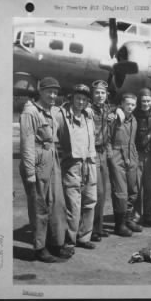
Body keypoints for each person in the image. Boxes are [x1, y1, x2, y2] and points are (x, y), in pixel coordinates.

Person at [19, 77, 72, 262]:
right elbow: (26, 145)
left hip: (52, 159)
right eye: (49, 91)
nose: (52, 95)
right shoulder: (30, 112)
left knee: (57, 203)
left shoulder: (51, 110)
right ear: (40, 91)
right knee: (39, 207)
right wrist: (30, 173)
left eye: (55, 92)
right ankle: (39, 248)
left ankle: (56, 244)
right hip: (37, 161)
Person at [56, 84, 97, 251]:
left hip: (89, 162)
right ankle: (69, 240)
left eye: (84, 99)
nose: (81, 102)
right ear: (71, 98)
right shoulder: (61, 115)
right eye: (78, 98)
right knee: (73, 204)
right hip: (72, 164)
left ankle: (84, 236)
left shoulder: (89, 115)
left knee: (90, 201)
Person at [107, 93, 141, 237]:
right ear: (122, 104)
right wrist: (110, 157)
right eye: (128, 104)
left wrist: (135, 157)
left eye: (133, 105)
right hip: (117, 156)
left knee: (133, 190)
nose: (130, 107)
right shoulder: (114, 118)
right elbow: (108, 138)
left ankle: (127, 219)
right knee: (121, 192)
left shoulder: (134, 120)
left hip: (131, 156)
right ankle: (119, 225)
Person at [89, 80, 116, 242]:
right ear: (93, 95)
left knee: (103, 192)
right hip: (92, 153)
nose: (100, 96)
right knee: (95, 192)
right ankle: (90, 229)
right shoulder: (88, 110)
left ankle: (97, 228)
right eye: (97, 93)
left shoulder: (107, 109)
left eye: (103, 93)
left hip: (104, 152)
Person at [133, 88, 151, 226]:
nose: (146, 103)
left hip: (150, 154)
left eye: (148, 101)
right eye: (143, 101)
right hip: (137, 153)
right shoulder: (133, 113)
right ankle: (136, 214)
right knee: (136, 186)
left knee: (149, 186)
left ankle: (148, 214)